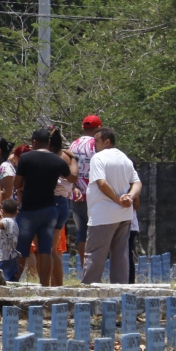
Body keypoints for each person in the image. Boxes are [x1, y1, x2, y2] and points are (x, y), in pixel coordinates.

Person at [13, 128, 78, 286]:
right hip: (50, 209)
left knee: (22, 248)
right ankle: (44, 286)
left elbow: (17, 183)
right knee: (46, 249)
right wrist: (74, 158)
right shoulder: (58, 161)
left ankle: (14, 280)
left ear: (34, 141)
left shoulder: (26, 158)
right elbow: (73, 177)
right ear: (48, 142)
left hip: (29, 209)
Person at [81, 127, 140, 284]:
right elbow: (137, 183)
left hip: (103, 214)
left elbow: (101, 182)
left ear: (107, 141)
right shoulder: (125, 158)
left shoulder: (99, 158)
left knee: (95, 254)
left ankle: (89, 291)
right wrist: (130, 197)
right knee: (120, 255)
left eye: (97, 141)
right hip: (124, 215)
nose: (94, 145)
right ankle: (120, 293)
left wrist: (117, 199)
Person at [69, 115, 101, 268]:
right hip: (95, 193)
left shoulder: (73, 145)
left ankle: (84, 269)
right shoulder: (97, 144)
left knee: (81, 233)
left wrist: (74, 187)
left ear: (83, 127)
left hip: (76, 193)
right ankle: (94, 269)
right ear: (99, 128)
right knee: (95, 233)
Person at [47, 128, 77, 285]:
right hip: (64, 202)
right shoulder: (67, 157)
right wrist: (74, 158)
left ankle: (54, 284)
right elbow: (74, 178)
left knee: (49, 250)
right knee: (54, 250)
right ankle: (56, 284)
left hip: (52, 202)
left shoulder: (49, 158)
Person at [0, 199, 21, 281]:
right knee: (12, 278)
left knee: (3, 279)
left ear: (2, 211)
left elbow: (1, 224)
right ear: (16, 212)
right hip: (13, 256)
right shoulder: (15, 222)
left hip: (5, 257)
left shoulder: (6, 220)